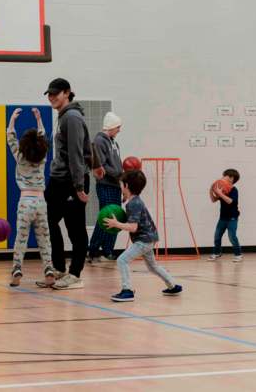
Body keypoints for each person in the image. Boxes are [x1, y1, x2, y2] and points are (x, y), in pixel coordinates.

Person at [43, 78, 94, 290]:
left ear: (67, 93)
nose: (52, 97)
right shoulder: (63, 117)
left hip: (72, 181)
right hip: (58, 180)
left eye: (56, 93)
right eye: (49, 94)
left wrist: (79, 187)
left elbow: (75, 154)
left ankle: (75, 274)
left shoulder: (71, 117)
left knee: (75, 229)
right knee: (48, 222)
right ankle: (59, 268)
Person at [105, 170, 182, 302]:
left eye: (121, 185)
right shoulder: (134, 201)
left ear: (127, 186)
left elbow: (133, 227)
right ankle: (173, 286)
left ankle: (127, 290)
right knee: (152, 266)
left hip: (143, 240)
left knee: (122, 260)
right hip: (149, 238)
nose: (120, 187)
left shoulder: (133, 204)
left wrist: (116, 223)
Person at [6, 107, 55, 287]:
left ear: (24, 145)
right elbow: (43, 137)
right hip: (41, 202)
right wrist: (39, 118)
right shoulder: (43, 158)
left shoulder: (20, 157)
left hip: (25, 202)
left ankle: (17, 268)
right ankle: (48, 269)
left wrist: (12, 120)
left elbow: (11, 136)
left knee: (21, 238)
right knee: (44, 238)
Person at [88, 111, 124, 262]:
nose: (119, 130)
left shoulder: (114, 142)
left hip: (115, 185)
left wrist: (122, 179)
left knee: (116, 217)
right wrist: (118, 173)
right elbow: (100, 166)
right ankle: (94, 249)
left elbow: (116, 164)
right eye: (117, 127)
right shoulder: (99, 141)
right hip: (105, 185)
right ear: (111, 126)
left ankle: (108, 250)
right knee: (106, 217)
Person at [208, 168, 243, 262]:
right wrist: (211, 191)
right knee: (217, 236)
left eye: (225, 176)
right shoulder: (223, 189)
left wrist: (219, 193)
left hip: (232, 217)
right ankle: (217, 253)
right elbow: (213, 200)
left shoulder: (234, 190)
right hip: (223, 217)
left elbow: (230, 201)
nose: (222, 178)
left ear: (232, 178)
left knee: (232, 236)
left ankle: (238, 255)